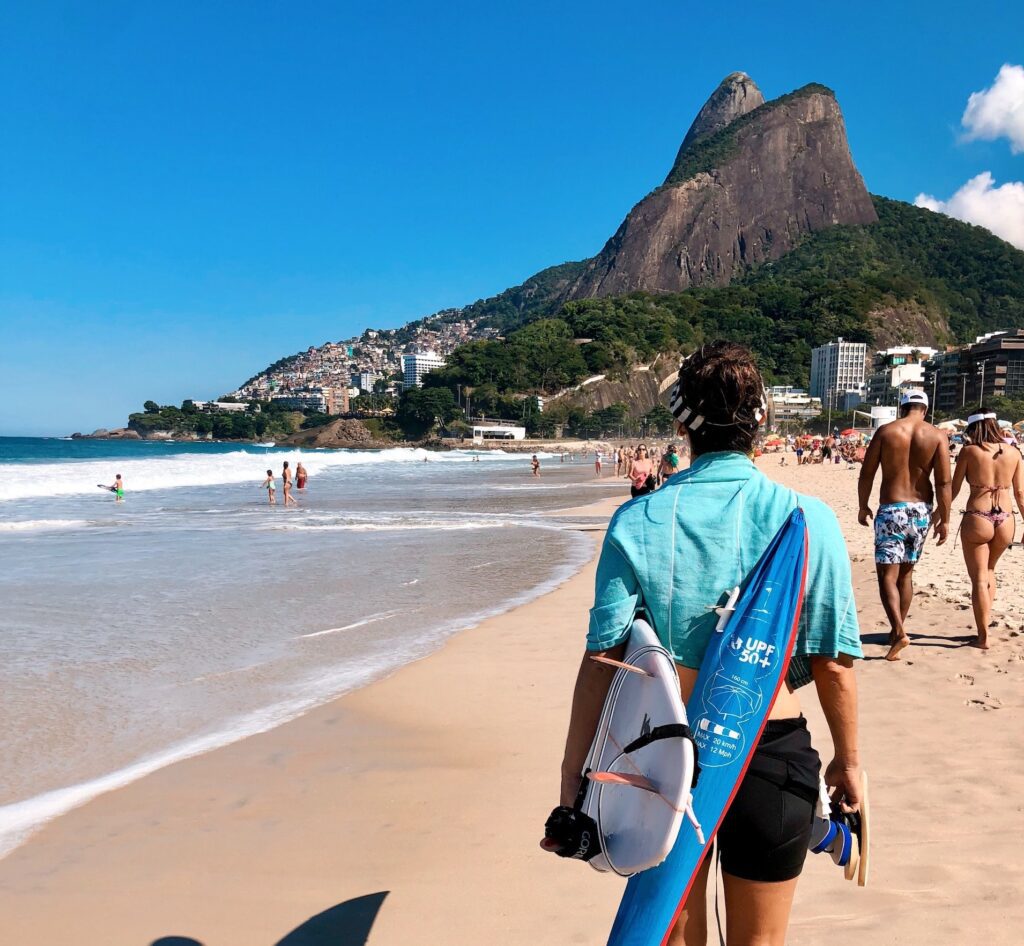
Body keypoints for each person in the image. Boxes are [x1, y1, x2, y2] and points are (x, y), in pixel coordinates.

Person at [543, 342, 862, 946]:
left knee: (676, 934)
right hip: (773, 756)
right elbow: (833, 665)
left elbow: (603, 658)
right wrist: (849, 765)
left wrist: (573, 774)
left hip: (669, 762)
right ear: (763, 418)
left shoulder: (637, 521)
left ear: (679, 425)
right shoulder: (808, 519)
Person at [858, 390, 951, 661]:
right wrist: (944, 518)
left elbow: (867, 472)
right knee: (906, 576)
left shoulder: (887, 432)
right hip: (920, 512)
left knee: (886, 576)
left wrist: (863, 505)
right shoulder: (937, 435)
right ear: (925, 408)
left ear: (903, 408)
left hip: (891, 509)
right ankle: (897, 629)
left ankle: (898, 632)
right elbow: (944, 483)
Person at [951, 410, 1024, 649]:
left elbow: (953, 489)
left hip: (978, 516)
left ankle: (983, 637)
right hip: (1006, 518)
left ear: (973, 429)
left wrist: (939, 516)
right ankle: (985, 624)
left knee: (979, 578)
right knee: (990, 570)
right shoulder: (1014, 452)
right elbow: (1020, 494)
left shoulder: (969, 452)